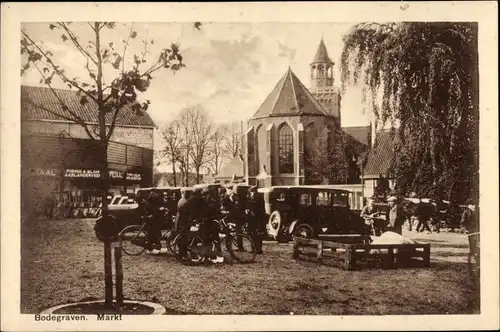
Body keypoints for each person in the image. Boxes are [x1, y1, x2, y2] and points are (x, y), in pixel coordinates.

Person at [201, 188, 224, 263]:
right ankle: (209, 256)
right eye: (203, 195)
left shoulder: (213, 202)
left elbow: (217, 213)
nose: (204, 197)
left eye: (205, 195)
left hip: (213, 224)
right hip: (206, 224)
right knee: (206, 241)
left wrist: (216, 220)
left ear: (209, 195)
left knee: (216, 240)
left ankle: (218, 255)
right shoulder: (203, 203)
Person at [245, 186, 265, 254]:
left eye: (253, 192)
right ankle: (254, 248)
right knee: (252, 234)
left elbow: (262, 209)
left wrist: (255, 213)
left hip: (257, 218)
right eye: (251, 192)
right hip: (251, 218)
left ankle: (258, 249)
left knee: (257, 234)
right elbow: (247, 206)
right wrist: (248, 210)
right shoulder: (249, 198)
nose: (252, 193)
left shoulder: (259, 198)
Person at [145, 190, 164, 255]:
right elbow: (151, 208)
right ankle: (150, 248)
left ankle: (158, 247)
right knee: (153, 234)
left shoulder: (152, 200)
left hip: (154, 219)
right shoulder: (149, 201)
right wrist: (159, 209)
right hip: (151, 220)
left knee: (156, 233)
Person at [175, 188, 192, 259]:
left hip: (179, 221)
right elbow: (186, 214)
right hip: (182, 222)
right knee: (184, 238)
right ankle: (183, 254)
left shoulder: (181, 200)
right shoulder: (185, 202)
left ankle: (181, 254)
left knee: (182, 238)